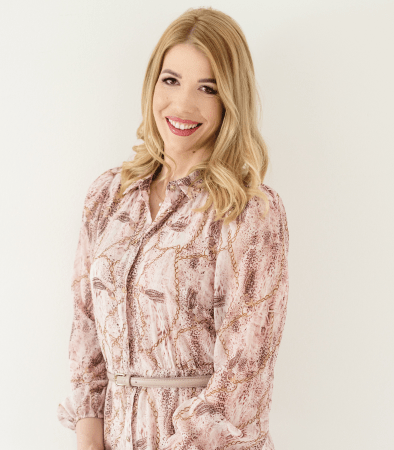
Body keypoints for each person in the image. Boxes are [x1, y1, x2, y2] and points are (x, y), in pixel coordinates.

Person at [57, 6, 289, 450]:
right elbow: (86, 333)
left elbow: (245, 379)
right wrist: (89, 441)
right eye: (171, 80)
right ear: (152, 83)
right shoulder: (108, 196)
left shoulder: (249, 211)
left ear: (230, 100)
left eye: (208, 88)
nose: (182, 104)